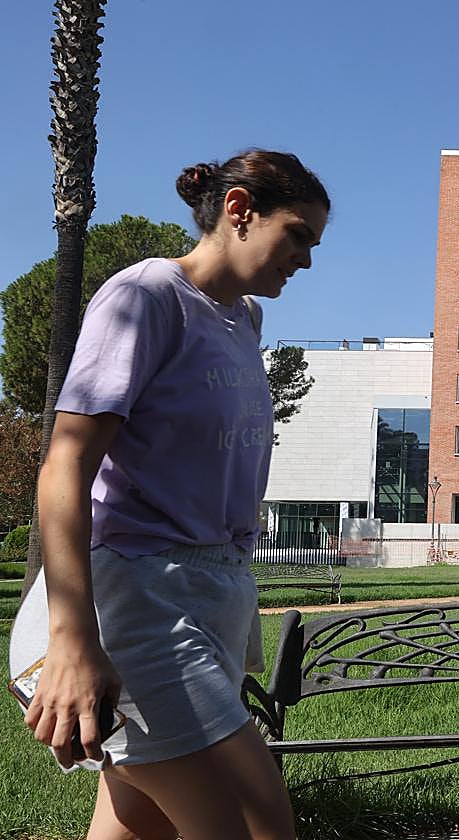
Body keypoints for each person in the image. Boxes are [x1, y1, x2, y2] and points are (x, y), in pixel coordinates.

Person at [9, 149, 329, 839]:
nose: (305, 258)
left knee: (137, 827)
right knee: (256, 822)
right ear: (240, 210)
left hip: (210, 598)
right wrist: (71, 642)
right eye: (298, 234)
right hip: (139, 606)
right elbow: (66, 464)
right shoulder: (147, 295)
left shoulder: (243, 320)